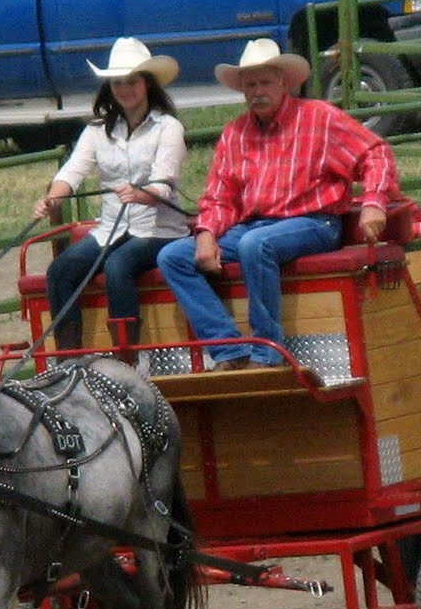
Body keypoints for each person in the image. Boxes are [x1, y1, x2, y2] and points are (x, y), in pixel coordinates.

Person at [156, 38, 395, 370]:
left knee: (257, 243)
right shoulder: (235, 133)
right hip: (254, 227)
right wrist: (207, 233)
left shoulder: (320, 118)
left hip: (316, 222)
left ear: (284, 83)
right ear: (242, 90)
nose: (257, 91)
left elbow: (375, 153)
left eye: (265, 82)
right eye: (250, 84)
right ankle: (228, 348)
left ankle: (268, 353)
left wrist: (373, 203)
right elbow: (219, 196)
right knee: (173, 256)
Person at [32, 38, 188, 352]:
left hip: (160, 230)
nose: (124, 89)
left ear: (147, 84)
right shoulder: (96, 131)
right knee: (61, 270)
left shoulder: (168, 128)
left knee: (119, 265)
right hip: (111, 230)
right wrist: (54, 198)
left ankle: (128, 357)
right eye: (118, 82)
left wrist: (141, 195)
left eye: (132, 81)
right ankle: (69, 357)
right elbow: (72, 172)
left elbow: (164, 183)